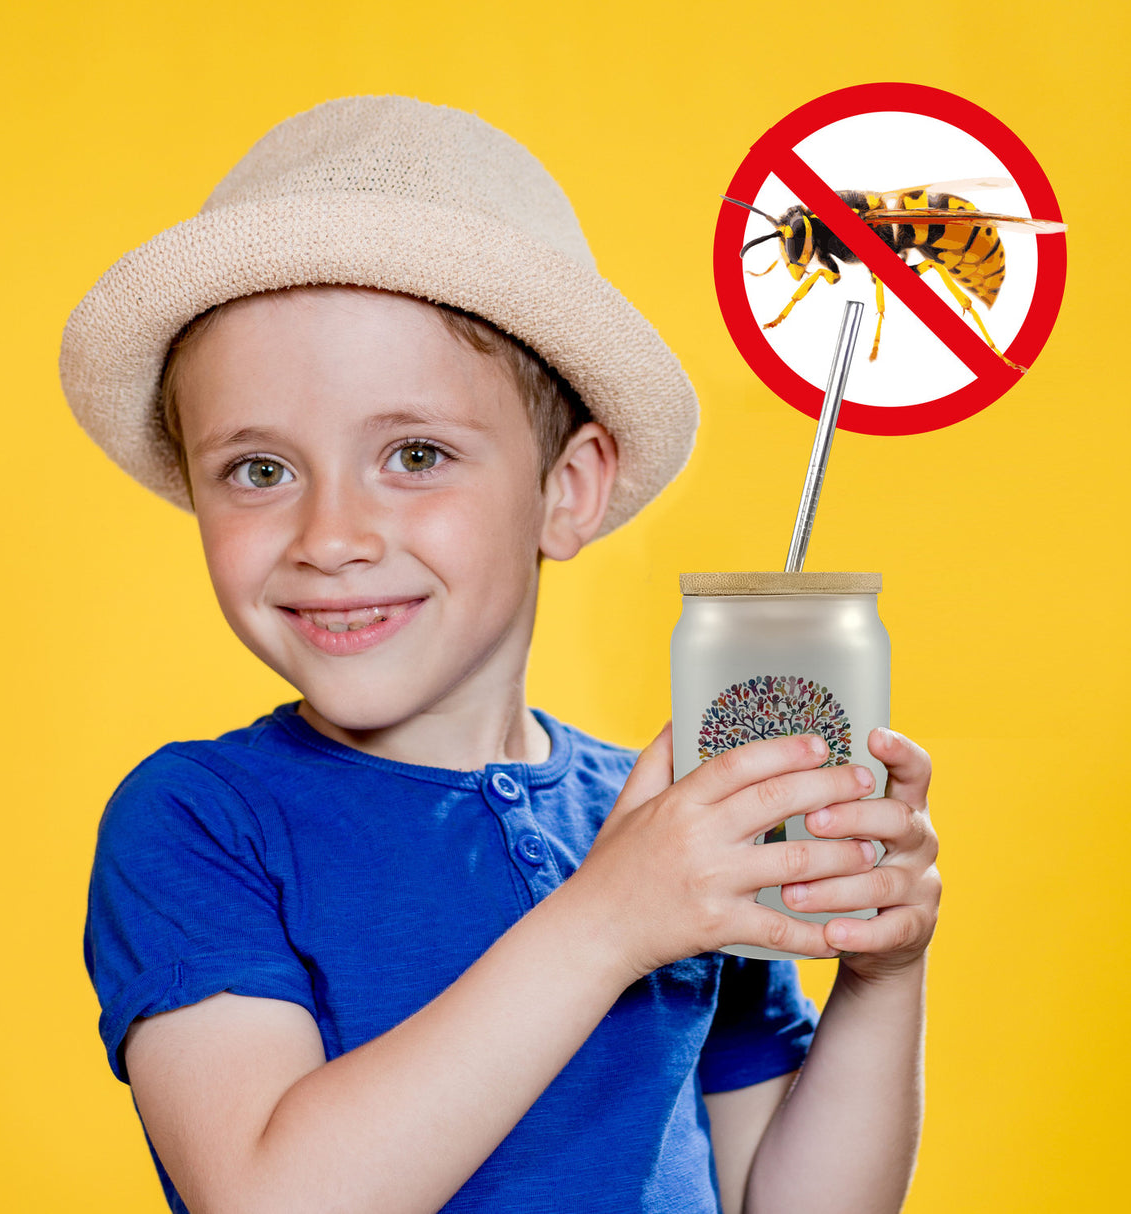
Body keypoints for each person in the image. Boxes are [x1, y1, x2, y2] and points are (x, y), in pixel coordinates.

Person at [63, 96, 940, 1214]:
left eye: (414, 452)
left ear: (563, 490)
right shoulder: (198, 820)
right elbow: (271, 1195)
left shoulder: (662, 828)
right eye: (259, 470)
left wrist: (879, 971)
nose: (330, 536)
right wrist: (611, 918)